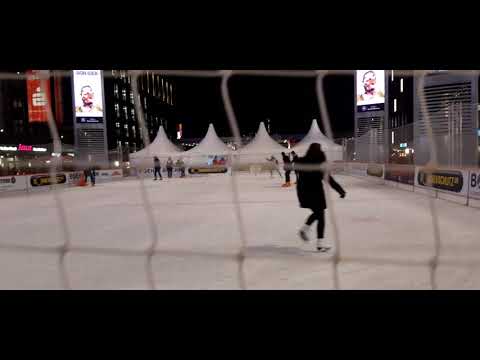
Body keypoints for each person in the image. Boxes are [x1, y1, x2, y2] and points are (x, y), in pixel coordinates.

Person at [296, 143, 346, 252]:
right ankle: (318, 243)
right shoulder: (319, 164)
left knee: (318, 214)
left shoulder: (303, 161)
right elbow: (330, 180)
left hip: (303, 192)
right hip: (315, 192)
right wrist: (340, 191)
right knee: (320, 216)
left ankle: (305, 230)